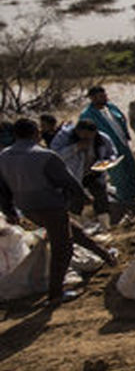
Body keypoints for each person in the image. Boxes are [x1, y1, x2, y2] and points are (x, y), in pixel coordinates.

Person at [0, 118, 115, 304]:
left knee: (72, 230)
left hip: (27, 208)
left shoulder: (4, 156)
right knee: (63, 248)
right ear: (36, 133)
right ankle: (56, 294)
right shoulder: (45, 156)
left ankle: (106, 255)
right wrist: (84, 198)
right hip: (50, 206)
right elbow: (68, 181)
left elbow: (2, 188)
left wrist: (9, 210)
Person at [50, 118, 117, 227]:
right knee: (75, 201)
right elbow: (55, 156)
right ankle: (77, 227)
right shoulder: (64, 138)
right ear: (77, 132)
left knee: (101, 195)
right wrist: (75, 148)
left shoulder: (102, 138)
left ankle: (105, 224)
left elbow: (112, 153)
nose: (88, 138)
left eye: (90, 135)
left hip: (94, 173)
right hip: (73, 175)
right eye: (84, 135)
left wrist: (108, 161)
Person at [79, 85, 135, 205]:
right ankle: (124, 200)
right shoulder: (88, 115)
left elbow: (122, 120)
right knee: (119, 174)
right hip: (107, 148)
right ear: (93, 98)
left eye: (105, 95)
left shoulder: (111, 107)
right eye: (101, 96)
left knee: (131, 169)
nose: (105, 98)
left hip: (122, 143)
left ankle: (134, 195)